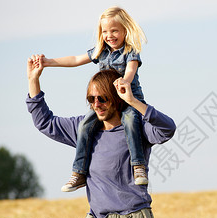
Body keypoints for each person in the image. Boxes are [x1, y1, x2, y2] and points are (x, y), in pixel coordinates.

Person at [26, 55, 176, 218]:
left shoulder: (137, 129)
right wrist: (33, 80)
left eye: (102, 98)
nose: (96, 104)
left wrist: (132, 101)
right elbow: (45, 123)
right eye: (91, 99)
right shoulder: (83, 131)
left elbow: (168, 128)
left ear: (116, 98)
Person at [40, 6, 148, 191]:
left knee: (130, 122)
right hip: (106, 102)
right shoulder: (101, 51)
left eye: (114, 30)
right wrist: (49, 62)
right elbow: (75, 59)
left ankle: (138, 166)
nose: (109, 35)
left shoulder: (130, 51)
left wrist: (124, 82)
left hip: (128, 100)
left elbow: (131, 69)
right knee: (84, 126)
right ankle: (79, 173)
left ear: (124, 30)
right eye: (105, 31)